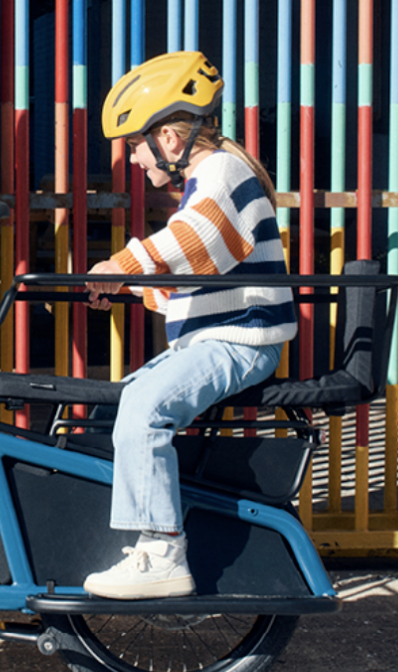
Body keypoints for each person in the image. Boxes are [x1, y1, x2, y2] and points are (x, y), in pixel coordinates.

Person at [82, 51, 297, 600]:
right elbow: (203, 267)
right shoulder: (211, 178)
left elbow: (194, 241)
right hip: (222, 336)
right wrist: (132, 283)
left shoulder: (222, 173)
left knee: (144, 409)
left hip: (239, 339)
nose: (133, 160)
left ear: (169, 141)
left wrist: (123, 266)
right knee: (121, 402)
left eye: (134, 145)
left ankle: (161, 548)